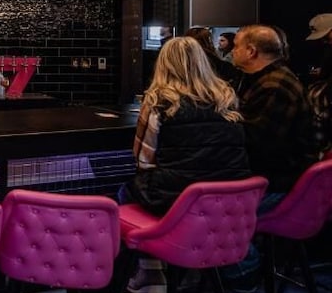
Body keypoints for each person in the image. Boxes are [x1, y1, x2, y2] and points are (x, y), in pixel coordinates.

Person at [126, 37, 250, 215]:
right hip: (231, 200)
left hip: (176, 200)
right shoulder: (227, 98)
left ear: (163, 64)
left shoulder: (158, 101)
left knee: (124, 191)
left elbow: (143, 161)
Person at [231, 24, 318, 195]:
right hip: (279, 178)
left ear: (251, 51)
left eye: (236, 46)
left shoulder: (274, 86)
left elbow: (258, 143)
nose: (233, 51)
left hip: (278, 185)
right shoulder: (271, 78)